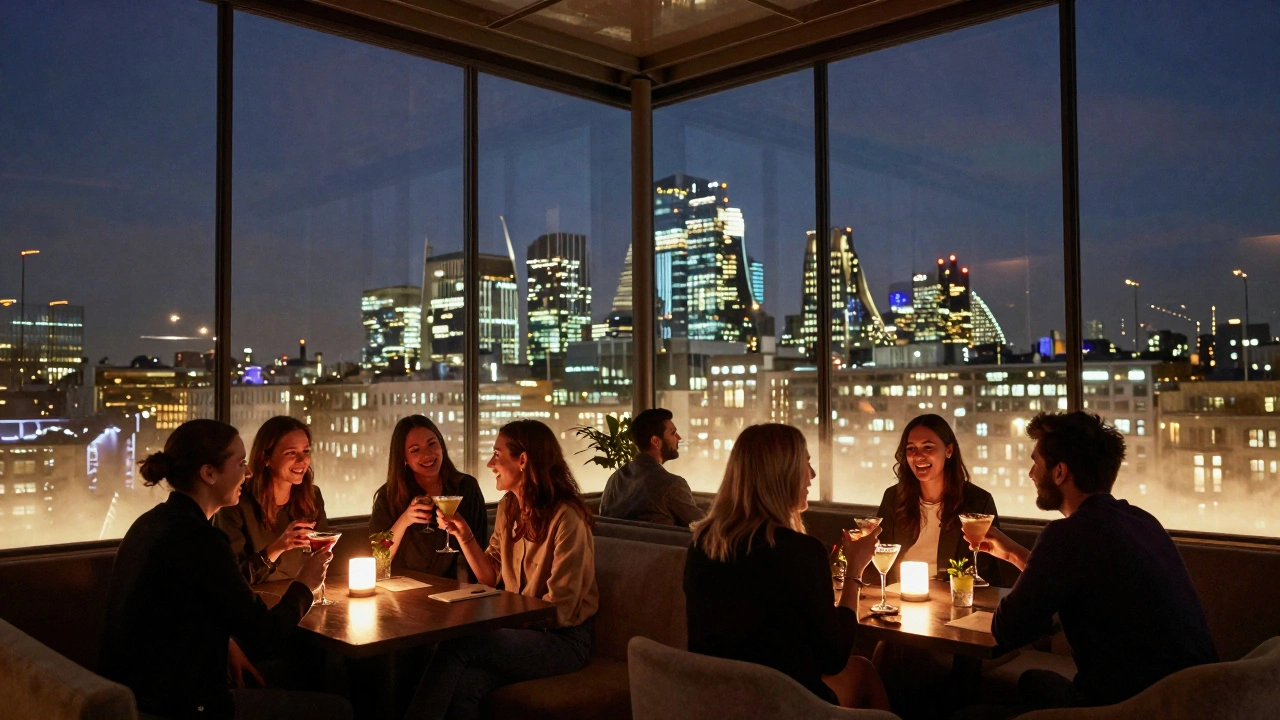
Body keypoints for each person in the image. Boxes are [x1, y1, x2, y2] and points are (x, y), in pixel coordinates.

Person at [98, 419, 351, 720]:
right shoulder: (202, 540)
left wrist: (226, 644)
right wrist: (306, 584)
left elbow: (177, 613)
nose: (247, 472)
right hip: (184, 706)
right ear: (209, 474)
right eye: (240, 463)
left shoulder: (150, 523)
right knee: (339, 709)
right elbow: (267, 637)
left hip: (136, 694)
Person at [967, 411, 1217, 711]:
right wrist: (1013, 554)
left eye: (1036, 462)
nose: (1031, 474)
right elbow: (1081, 578)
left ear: (1060, 472)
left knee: (1027, 685)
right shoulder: (1142, 521)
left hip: (1135, 709)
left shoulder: (1067, 534)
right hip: (1200, 699)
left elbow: (1007, 629)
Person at [684, 423, 890, 711]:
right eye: (806, 463)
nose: (813, 475)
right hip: (780, 703)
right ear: (783, 475)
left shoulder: (702, 544)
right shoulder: (801, 552)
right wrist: (855, 567)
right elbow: (834, 657)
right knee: (864, 671)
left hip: (719, 700)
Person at [406, 419, 597, 720]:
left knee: (457, 643)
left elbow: (560, 610)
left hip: (563, 641)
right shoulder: (510, 507)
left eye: (497, 454)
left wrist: (497, 624)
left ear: (522, 460)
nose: (489, 462)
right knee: (466, 686)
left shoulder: (567, 519)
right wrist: (464, 534)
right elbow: (489, 575)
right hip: (520, 630)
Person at [874, 413, 1004, 584]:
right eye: (911, 448)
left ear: (948, 451)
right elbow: (879, 556)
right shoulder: (894, 498)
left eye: (928, 447)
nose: (918, 455)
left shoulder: (977, 501)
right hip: (899, 594)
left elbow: (987, 570)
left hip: (952, 597)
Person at [370, 415, 486, 579]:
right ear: (404, 459)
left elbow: (483, 554)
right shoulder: (388, 496)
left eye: (432, 444)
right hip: (406, 593)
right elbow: (378, 560)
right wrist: (404, 520)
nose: (428, 454)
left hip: (459, 590)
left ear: (441, 445)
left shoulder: (467, 488)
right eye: (415, 450)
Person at [215, 416, 327, 585]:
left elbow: (321, 558)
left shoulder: (312, 496)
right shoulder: (235, 502)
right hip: (252, 604)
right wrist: (278, 547)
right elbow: (232, 580)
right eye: (291, 453)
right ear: (265, 458)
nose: (302, 460)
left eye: (306, 451)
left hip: (299, 597)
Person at [599, 408, 703, 527]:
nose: (679, 438)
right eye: (673, 433)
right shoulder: (671, 485)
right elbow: (703, 527)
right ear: (655, 441)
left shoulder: (615, 479)